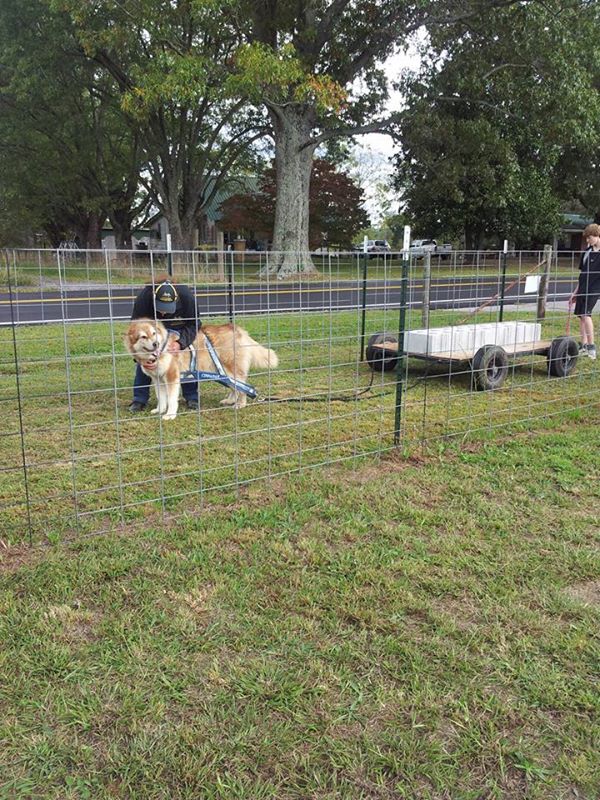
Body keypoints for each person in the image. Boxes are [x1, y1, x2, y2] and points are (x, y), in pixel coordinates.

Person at [128, 276, 201, 411]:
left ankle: (191, 397)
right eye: (160, 308)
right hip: (151, 332)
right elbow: (133, 332)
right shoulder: (144, 298)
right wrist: (140, 358)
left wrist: (181, 343)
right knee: (146, 362)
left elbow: (194, 324)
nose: (163, 312)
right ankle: (139, 398)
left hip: (178, 327)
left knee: (186, 359)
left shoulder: (186, 296)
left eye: (167, 308)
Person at [569, 223, 600, 362]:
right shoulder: (587, 252)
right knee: (581, 315)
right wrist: (575, 292)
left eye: (590, 237)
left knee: (586, 314)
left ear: (597, 235)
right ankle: (584, 344)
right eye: (587, 238)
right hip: (583, 288)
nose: (588, 241)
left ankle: (592, 346)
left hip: (594, 289)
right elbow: (582, 274)